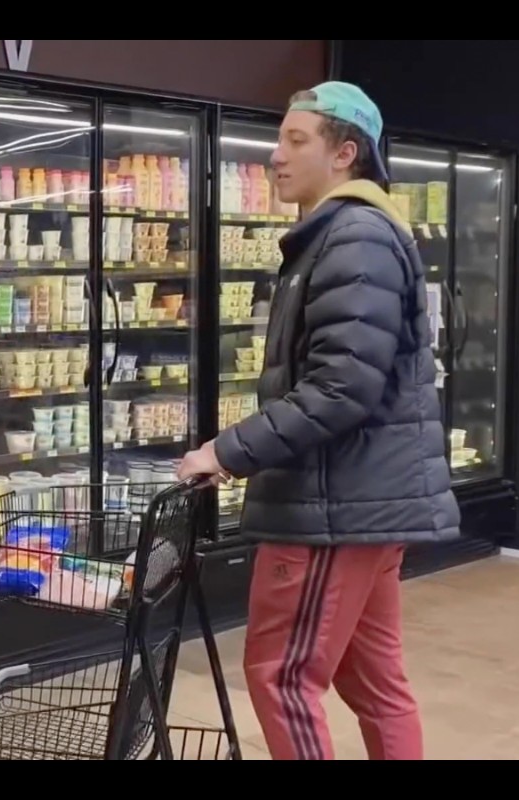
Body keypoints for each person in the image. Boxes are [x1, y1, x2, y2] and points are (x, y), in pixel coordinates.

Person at [177, 82, 459, 760]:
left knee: (280, 676)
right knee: (375, 683)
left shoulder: (353, 237)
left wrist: (226, 452)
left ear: (345, 153)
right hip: (361, 503)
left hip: (334, 505)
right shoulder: (343, 235)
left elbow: (341, 386)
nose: (276, 155)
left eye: (295, 140)